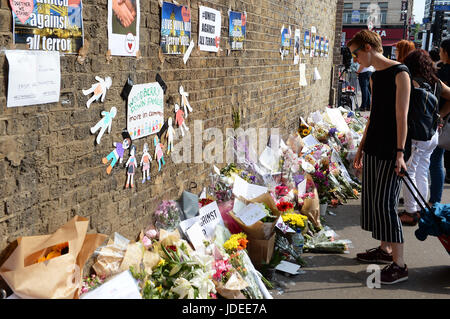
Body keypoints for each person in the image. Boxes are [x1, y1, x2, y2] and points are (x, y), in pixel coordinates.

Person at [348, 29, 410, 284]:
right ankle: (385, 251)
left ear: (368, 48)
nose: (354, 59)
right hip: (373, 146)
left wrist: (400, 153)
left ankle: (400, 264)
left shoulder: (400, 73)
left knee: (386, 204)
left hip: (391, 150)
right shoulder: (375, 78)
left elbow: (401, 117)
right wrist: (360, 149)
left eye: (355, 53)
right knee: (375, 201)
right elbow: (373, 117)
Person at [399, 50, 450, 226]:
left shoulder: (410, 81)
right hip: (432, 133)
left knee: (409, 172)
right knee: (422, 169)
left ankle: (411, 212)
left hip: (416, 134)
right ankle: (420, 207)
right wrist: (439, 115)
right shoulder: (437, 83)